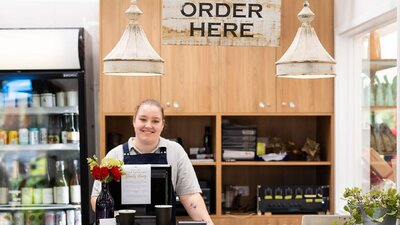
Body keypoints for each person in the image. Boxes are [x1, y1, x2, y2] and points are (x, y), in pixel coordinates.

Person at [91, 99, 214, 225]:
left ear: (162, 124)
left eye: (155, 121)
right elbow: (96, 198)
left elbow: (190, 196)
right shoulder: (115, 155)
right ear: (134, 121)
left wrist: (208, 223)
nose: (148, 125)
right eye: (143, 119)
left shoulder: (175, 151)